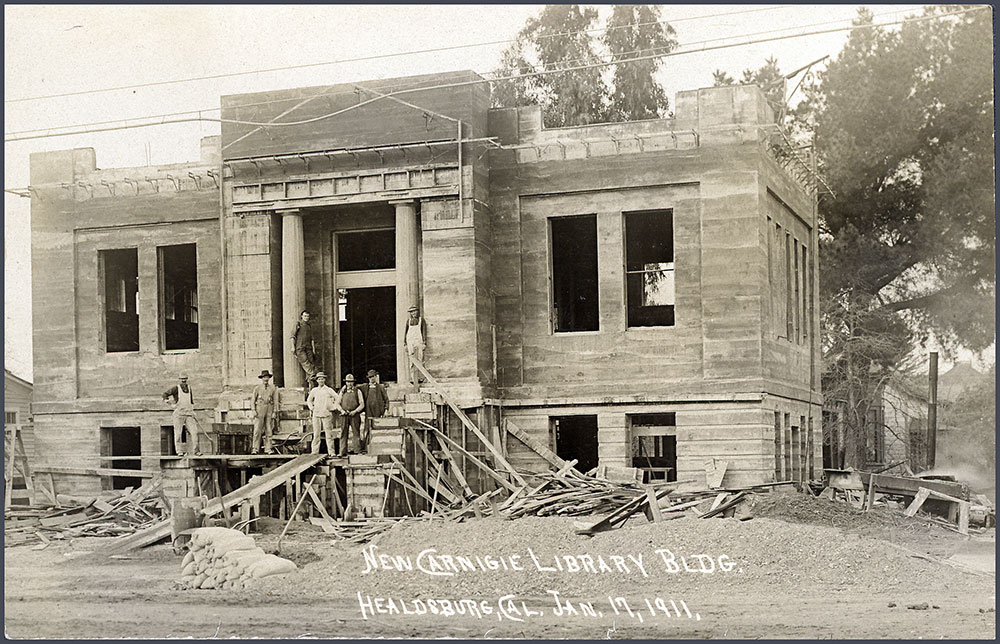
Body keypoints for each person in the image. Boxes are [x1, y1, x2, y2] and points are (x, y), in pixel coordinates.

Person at [163, 374, 210, 456]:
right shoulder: (176, 388)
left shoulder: (189, 388)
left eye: (185, 379)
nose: (183, 381)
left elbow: (191, 402)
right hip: (179, 414)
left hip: (189, 414)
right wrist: (170, 404)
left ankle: (196, 451)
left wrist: (193, 411)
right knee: (178, 433)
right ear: (179, 379)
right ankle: (179, 451)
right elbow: (164, 395)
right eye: (182, 379)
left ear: (187, 379)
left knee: (194, 432)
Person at [306, 372, 338, 456]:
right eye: (319, 379)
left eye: (322, 379)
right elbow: (309, 400)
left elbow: (338, 398)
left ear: (325, 380)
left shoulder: (329, 390)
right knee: (316, 434)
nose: (321, 380)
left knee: (329, 434)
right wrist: (311, 408)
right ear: (317, 380)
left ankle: (331, 452)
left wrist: (333, 407)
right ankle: (315, 452)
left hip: (326, 414)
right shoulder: (314, 390)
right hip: (316, 414)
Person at [336, 373, 365, 456]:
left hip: (354, 415)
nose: (349, 384)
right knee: (343, 433)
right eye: (348, 382)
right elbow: (337, 403)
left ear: (353, 382)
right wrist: (341, 410)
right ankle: (342, 451)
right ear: (345, 382)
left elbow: (362, 404)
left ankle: (357, 450)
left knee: (356, 433)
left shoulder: (358, 391)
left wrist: (355, 411)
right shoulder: (342, 392)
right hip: (344, 415)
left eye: (351, 382)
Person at [359, 369, 389, 451]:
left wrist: (386, 410)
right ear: (368, 378)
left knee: (378, 427)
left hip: (378, 410)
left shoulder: (380, 387)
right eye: (370, 377)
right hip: (368, 411)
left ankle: (378, 447)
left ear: (376, 377)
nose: (372, 378)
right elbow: (355, 389)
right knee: (367, 428)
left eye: (373, 377)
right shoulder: (365, 387)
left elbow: (386, 399)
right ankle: (366, 447)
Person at [250, 370, 278, 455]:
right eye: (264, 377)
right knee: (257, 430)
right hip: (259, 409)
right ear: (261, 378)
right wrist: (253, 410)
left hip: (269, 409)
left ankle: (268, 448)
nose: (266, 379)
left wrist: (275, 412)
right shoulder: (257, 388)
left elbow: (276, 400)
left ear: (269, 378)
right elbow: (252, 400)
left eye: (267, 377)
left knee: (269, 429)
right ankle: (255, 449)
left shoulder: (273, 388)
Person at [290, 310, 319, 388]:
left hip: (308, 348)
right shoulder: (298, 324)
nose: (306, 318)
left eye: (308, 316)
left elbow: (312, 339)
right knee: (305, 362)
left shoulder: (309, 326)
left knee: (311, 363)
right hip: (300, 348)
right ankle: (313, 374)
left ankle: (311, 381)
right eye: (305, 316)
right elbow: (292, 336)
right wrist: (292, 347)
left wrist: (313, 350)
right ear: (302, 316)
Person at [402, 305, 427, 385]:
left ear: (417, 312)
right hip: (410, 342)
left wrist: (424, 342)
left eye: (415, 311)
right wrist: (405, 344)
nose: (414, 313)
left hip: (418, 341)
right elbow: (405, 333)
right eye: (412, 312)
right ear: (410, 313)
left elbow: (424, 331)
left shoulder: (421, 320)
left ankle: (421, 377)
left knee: (420, 358)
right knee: (412, 360)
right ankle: (413, 378)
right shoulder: (408, 321)